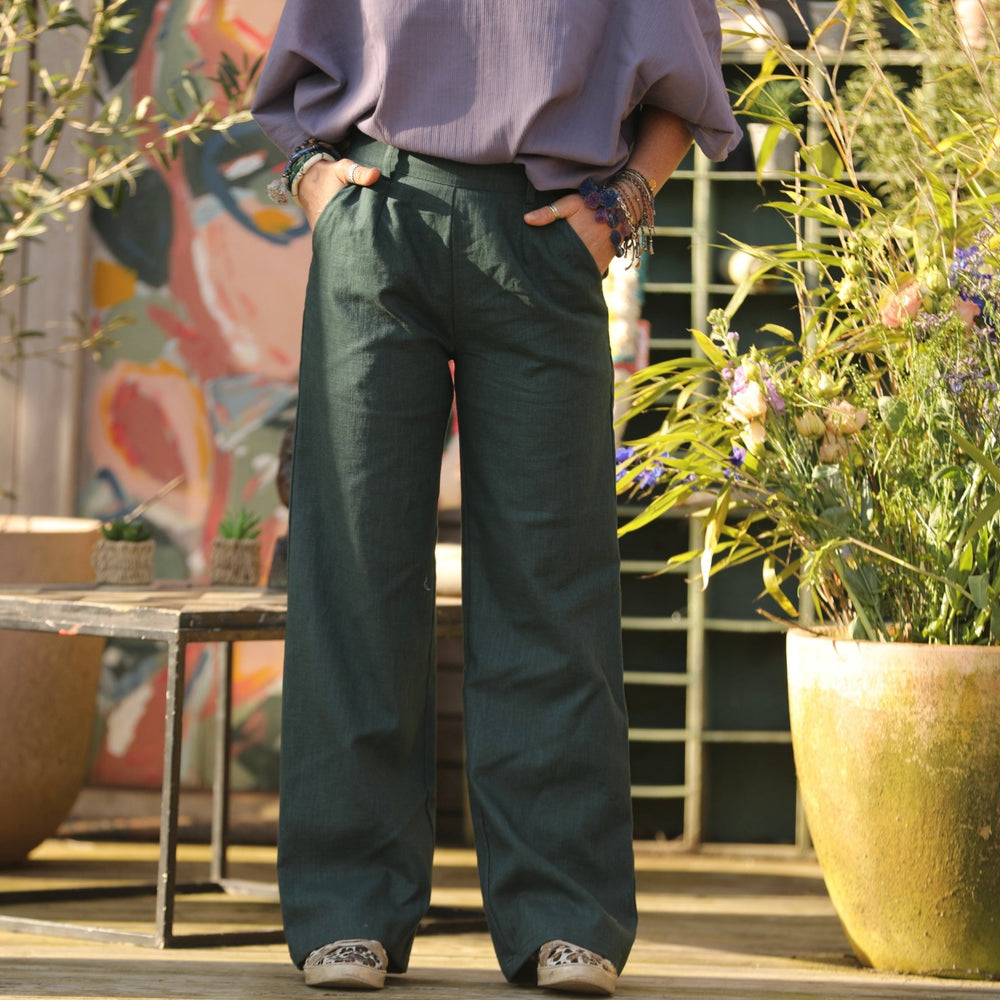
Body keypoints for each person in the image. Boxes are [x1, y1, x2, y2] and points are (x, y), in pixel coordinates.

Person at [252, 2, 739, 994]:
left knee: (551, 578)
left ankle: (565, 911)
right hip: (377, 217)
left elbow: (685, 82)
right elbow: (300, 73)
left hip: (544, 236)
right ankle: (348, 906)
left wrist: (623, 206)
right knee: (354, 568)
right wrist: (313, 181)